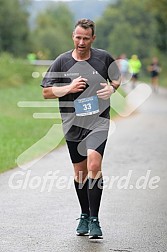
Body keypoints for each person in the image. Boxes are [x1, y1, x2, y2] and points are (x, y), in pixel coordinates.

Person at [41, 18, 120, 239]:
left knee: (94, 164)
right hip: (73, 123)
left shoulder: (103, 58)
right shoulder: (62, 61)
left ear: (93, 38)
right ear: (72, 36)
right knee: (80, 173)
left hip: (98, 121)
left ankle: (95, 220)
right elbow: (46, 92)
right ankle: (84, 214)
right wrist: (69, 88)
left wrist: (112, 89)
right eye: (78, 37)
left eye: (86, 38)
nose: (81, 42)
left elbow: (116, 78)